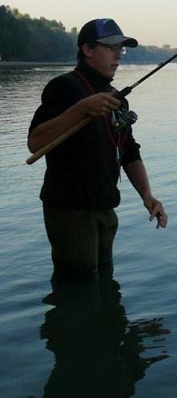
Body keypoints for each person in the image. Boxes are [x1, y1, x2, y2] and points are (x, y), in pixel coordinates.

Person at [28, 18, 168, 277]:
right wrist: (82, 108)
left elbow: (130, 153)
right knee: (78, 287)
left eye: (121, 49)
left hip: (106, 209)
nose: (118, 56)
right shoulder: (64, 87)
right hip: (70, 211)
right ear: (87, 49)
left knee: (105, 284)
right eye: (110, 47)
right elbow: (35, 142)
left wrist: (147, 196)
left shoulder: (116, 99)